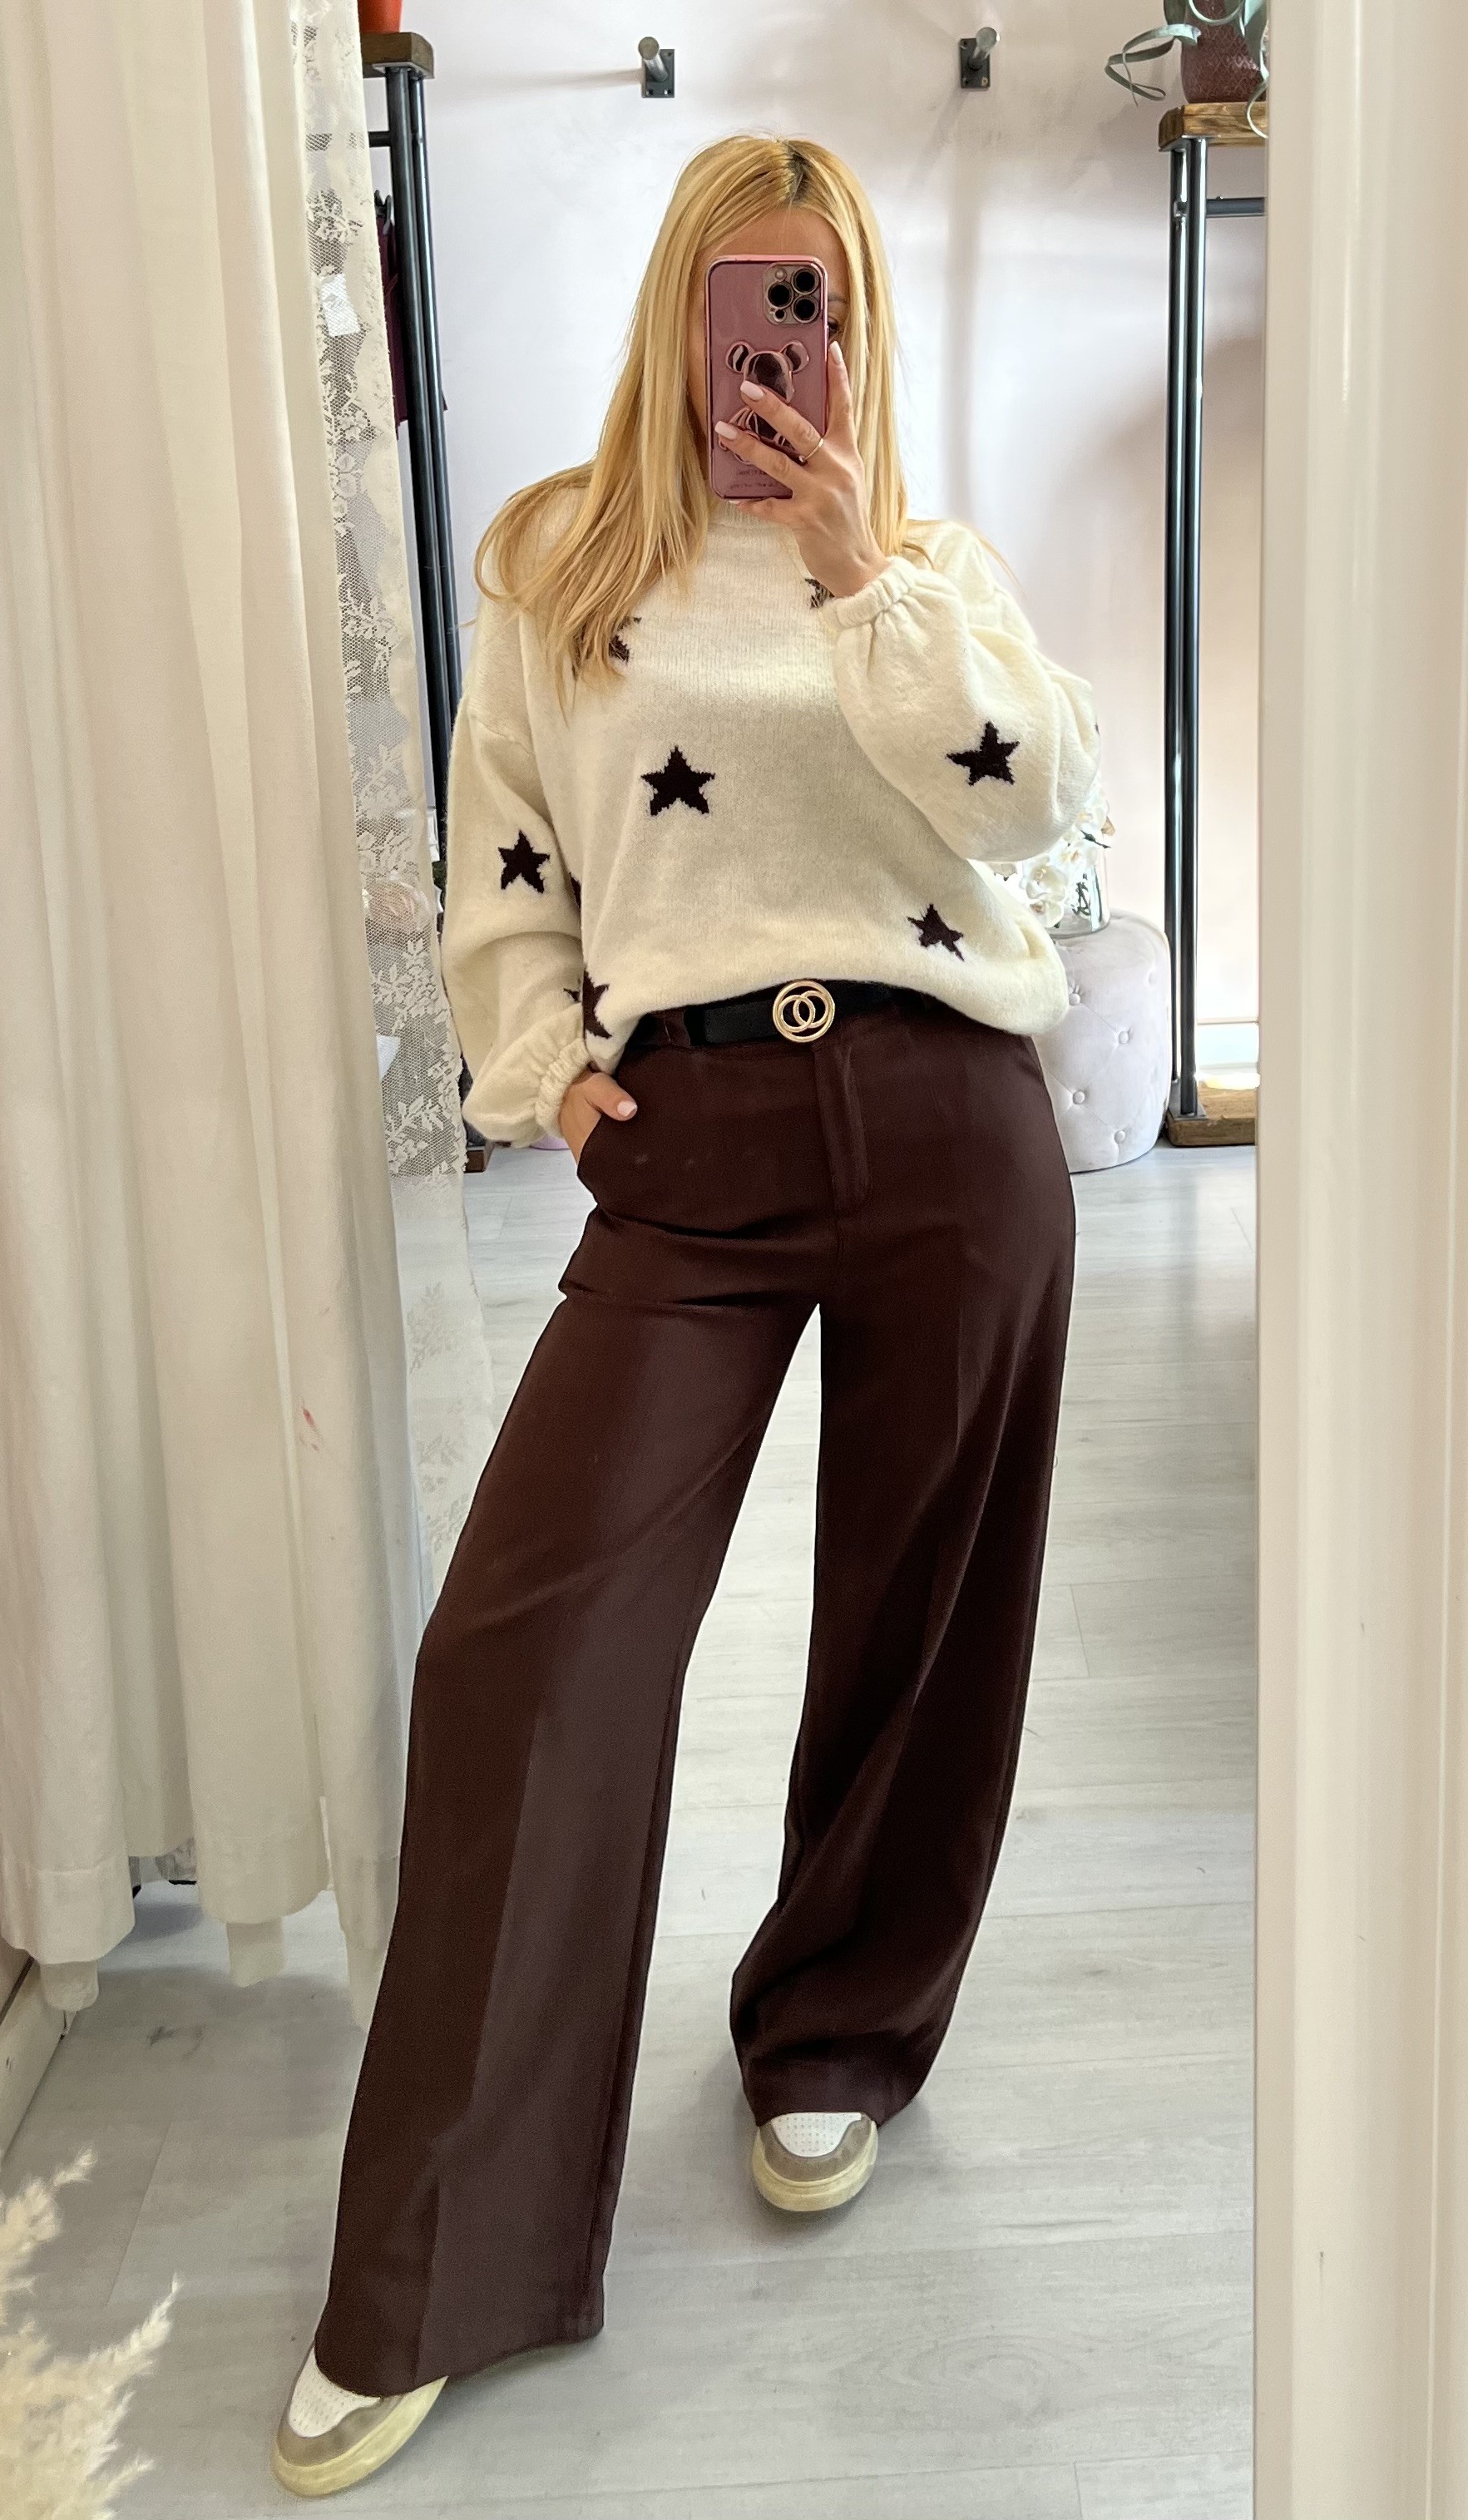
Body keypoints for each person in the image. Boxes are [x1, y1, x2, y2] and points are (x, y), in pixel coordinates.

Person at [272, 131, 1103, 2500]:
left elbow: (1035, 812)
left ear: (856, 325)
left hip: (949, 1119)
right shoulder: (558, 564)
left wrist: (859, 578)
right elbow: (507, 865)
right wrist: (547, 1076)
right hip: (695, 1138)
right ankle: (436, 2253)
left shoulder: (930, 569)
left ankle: (834, 2031)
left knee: (923, 1611)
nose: (780, 346)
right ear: (684, 306)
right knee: (526, 1646)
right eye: (752, 295)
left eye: (816, 299)